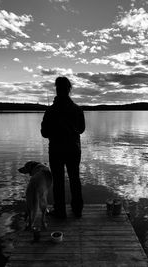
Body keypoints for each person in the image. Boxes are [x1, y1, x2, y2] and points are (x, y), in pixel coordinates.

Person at [41, 76, 85, 218]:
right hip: (73, 150)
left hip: (56, 151)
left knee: (58, 181)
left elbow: (44, 133)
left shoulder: (50, 111)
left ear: (57, 89)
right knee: (75, 179)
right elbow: (82, 129)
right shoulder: (78, 109)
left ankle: (60, 211)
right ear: (69, 89)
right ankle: (77, 210)